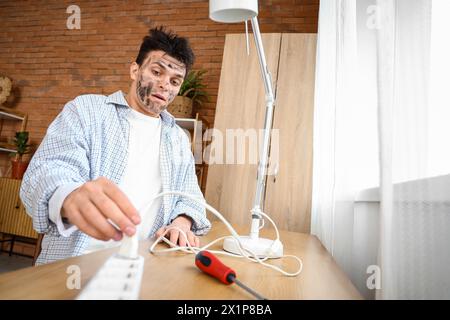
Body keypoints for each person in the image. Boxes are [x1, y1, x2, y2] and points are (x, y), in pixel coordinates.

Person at [20, 26, 211, 265]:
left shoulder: (178, 139)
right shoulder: (86, 110)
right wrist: (69, 196)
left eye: (174, 81)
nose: (165, 85)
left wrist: (182, 221)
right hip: (72, 267)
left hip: (143, 268)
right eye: (156, 72)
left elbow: (190, 196)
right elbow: (48, 168)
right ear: (135, 70)